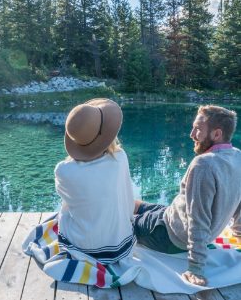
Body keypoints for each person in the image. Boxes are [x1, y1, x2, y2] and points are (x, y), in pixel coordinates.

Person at [134, 105, 241, 286]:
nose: (191, 134)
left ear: (217, 134)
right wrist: (239, 233)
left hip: (168, 236)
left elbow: (198, 219)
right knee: (137, 205)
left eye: (198, 129)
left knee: (121, 222)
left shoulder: (204, 165)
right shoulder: (237, 156)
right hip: (173, 214)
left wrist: (195, 268)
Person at [55, 98, 136, 264]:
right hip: (121, 245)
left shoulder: (63, 170)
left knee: (64, 209)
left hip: (85, 247)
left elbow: (70, 202)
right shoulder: (120, 158)